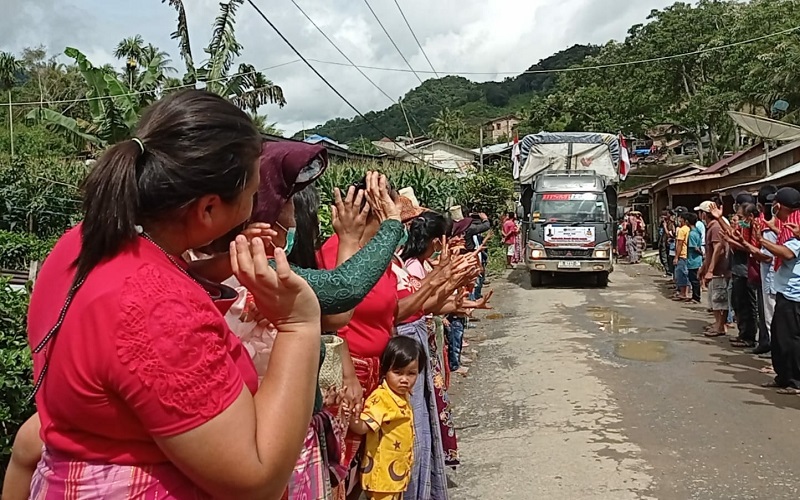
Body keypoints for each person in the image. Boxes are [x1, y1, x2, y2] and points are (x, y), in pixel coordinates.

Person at [20, 89, 322, 499]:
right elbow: (255, 478)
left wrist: (214, 268)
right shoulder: (158, 306)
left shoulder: (81, 241)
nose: (255, 209)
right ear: (209, 209)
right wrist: (298, 325)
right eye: (252, 196)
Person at [348, 336, 426, 500]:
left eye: (411, 373)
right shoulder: (382, 398)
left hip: (395, 476)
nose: (404, 379)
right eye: (397, 373)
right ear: (385, 370)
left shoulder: (401, 394)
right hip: (382, 477)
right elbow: (363, 427)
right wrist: (348, 415)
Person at [756, 187, 800, 394]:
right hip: (785, 288)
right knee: (780, 337)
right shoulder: (787, 222)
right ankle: (782, 376)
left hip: (794, 293)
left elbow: (788, 252)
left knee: (791, 340)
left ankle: (794, 381)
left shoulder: (797, 220)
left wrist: (762, 240)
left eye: (775, 203)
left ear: (780, 205)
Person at [697, 201, 730, 337]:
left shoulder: (715, 227)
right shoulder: (711, 227)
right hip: (715, 269)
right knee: (714, 299)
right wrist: (704, 267)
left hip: (719, 270)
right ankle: (718, 324)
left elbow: (718, 249)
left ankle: (720, 326)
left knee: (719, 299)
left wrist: (710, 269)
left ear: (704, 214)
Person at [686, 212, 703, 303]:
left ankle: (696, 297)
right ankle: (695, 296)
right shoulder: (697, 231)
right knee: (695, 279)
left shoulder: (692, 234)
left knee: (694, 280)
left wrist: (701, 253)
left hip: (693, 260)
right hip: (696, 260)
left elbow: (695, 247)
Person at [673, 212, 691, 300]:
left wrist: (676, 257)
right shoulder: (689, 229)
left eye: (680, 218)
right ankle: (686, 292)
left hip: (682, 255)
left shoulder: (681, 230)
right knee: (686, 274)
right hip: (688, 254)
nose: (679, 220)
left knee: (681, 274)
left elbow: (679, 244)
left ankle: (683, 293)